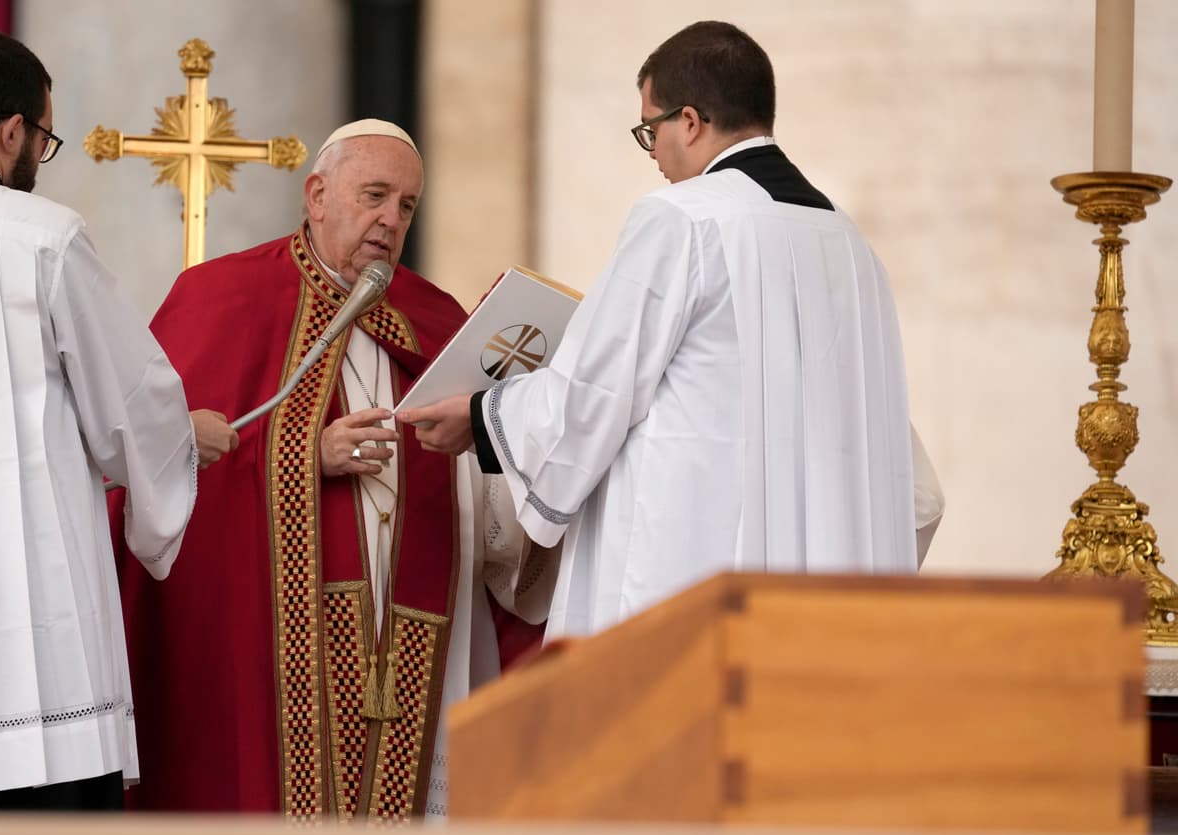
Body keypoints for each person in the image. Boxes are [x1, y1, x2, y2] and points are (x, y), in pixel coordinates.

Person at [402, 21, 945, 640]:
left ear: (689, 122)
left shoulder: (682, 220)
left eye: (649, 130)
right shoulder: (850, 247)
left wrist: (481, 418)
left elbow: (593, 392)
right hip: (819, 604)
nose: (654, 153)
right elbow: (908, 479)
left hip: (689, 585)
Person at [109, 119, 551, 822]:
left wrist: (501, 438)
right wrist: (303, 454)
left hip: (410, 634)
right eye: (374, 195)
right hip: (270, 655)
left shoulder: (433, 316)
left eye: (406, 205)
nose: (390, 219)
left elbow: (485, 482)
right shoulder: (221, 297)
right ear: (316, 194)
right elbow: (147, 470)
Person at [0, 31, 236, 809]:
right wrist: (186, 437)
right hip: (30, 652)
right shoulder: (39, 238)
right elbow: (133, 403)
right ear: (12, 130)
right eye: (43, 138)